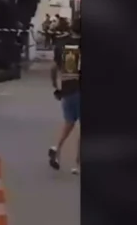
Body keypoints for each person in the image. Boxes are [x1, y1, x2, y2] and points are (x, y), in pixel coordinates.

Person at [49, 42, 80, 174]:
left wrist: (56, 86)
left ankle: (57, 148)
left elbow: (53, 68)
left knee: (69, 123)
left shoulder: (64, 45)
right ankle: (77, 165)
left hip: (68, 93)